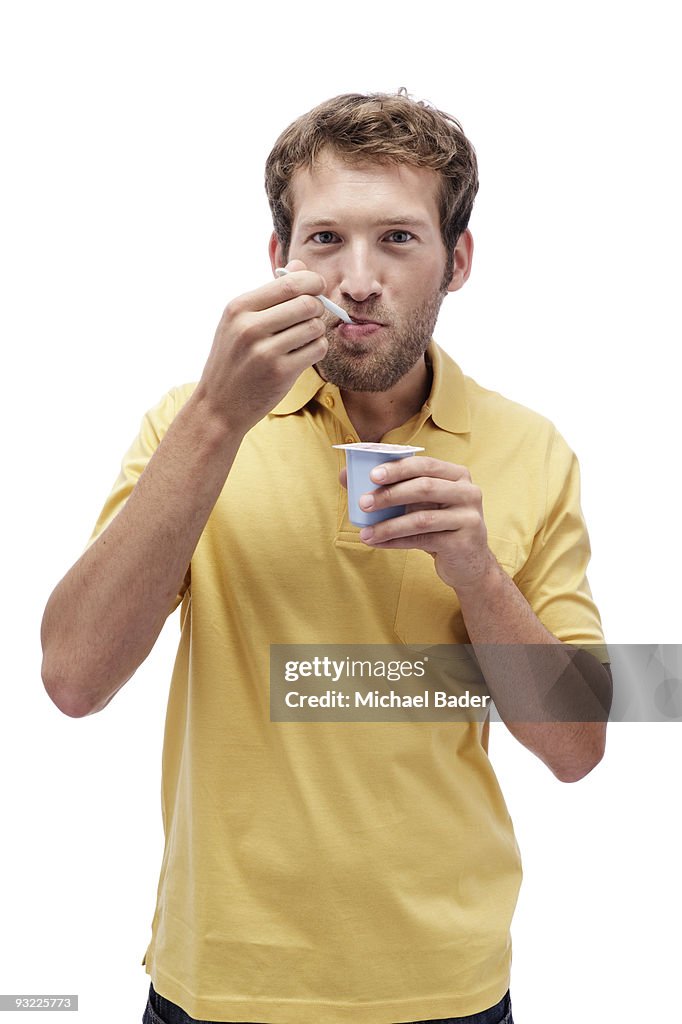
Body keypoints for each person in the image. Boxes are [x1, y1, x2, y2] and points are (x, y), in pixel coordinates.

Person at [40, 89, 612, 1024]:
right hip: (220, 984)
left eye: (397, 238)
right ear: (279, 259)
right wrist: (219, 417)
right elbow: (71, 679)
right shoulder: (191, 424)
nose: (356, 279)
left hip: (448, 986)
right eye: (323, 240)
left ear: (455, 260)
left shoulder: (533, 449)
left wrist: (476, 573)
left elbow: (578, 747)